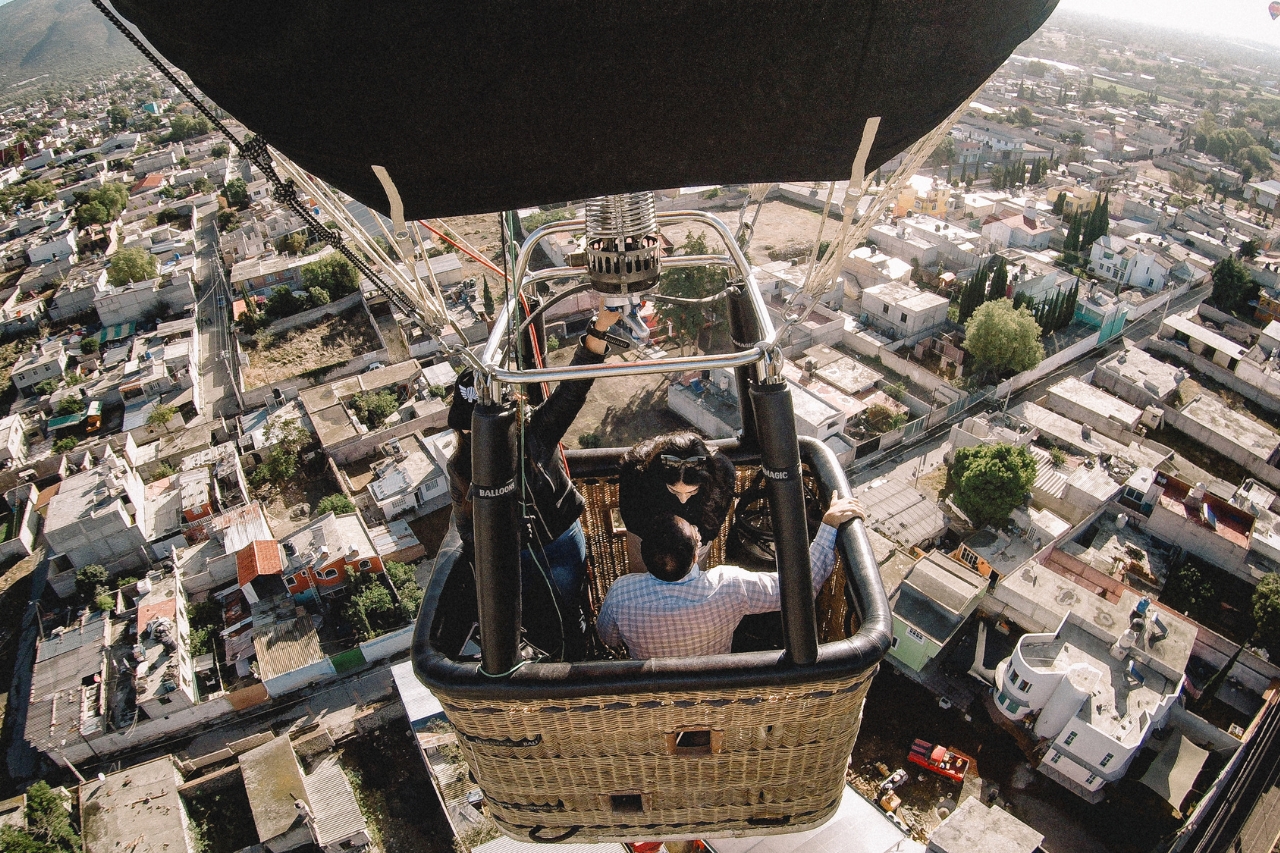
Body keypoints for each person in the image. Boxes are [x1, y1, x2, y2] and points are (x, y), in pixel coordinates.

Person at [446, 299, 623, 652]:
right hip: (546, 545)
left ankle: (570, 660)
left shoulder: (475, 460)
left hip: (537, 549)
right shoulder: (516, 443)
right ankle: (576, 656)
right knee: (563, 613)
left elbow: (574, 388)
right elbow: (572, 390)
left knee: (556, 616)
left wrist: (599, 328)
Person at [596, 495, 865, 660]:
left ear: (645, 556)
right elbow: (800, 590)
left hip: (653, 698)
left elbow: (608, 638)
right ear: (694, 556)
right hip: (714, 689)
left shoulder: (622, 593)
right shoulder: (728, 585)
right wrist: (828, 526)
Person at [617, 431, 737, 572]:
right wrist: (661, 535)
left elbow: (716, 517)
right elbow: (632, 518)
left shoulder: (722, 472)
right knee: (642, 579)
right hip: (648, 539)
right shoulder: (635, 472)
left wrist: (698, 536)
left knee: (692, 584)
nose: (683, 499)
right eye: (674, 491)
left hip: (697, 540)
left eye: (692, 492)